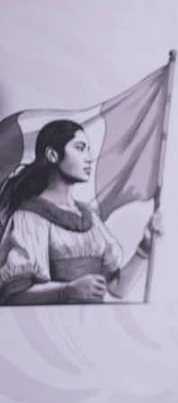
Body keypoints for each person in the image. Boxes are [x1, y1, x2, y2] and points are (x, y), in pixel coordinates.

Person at [0, 119, 161, 304]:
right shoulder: (28, 218)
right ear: (52, 154)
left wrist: (145, 247)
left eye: (88, 149)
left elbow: (118, 288)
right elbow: (14, 296)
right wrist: (67, 291)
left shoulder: (90, 218)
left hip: (90, 328)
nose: (89, 157)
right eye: (80, 148)